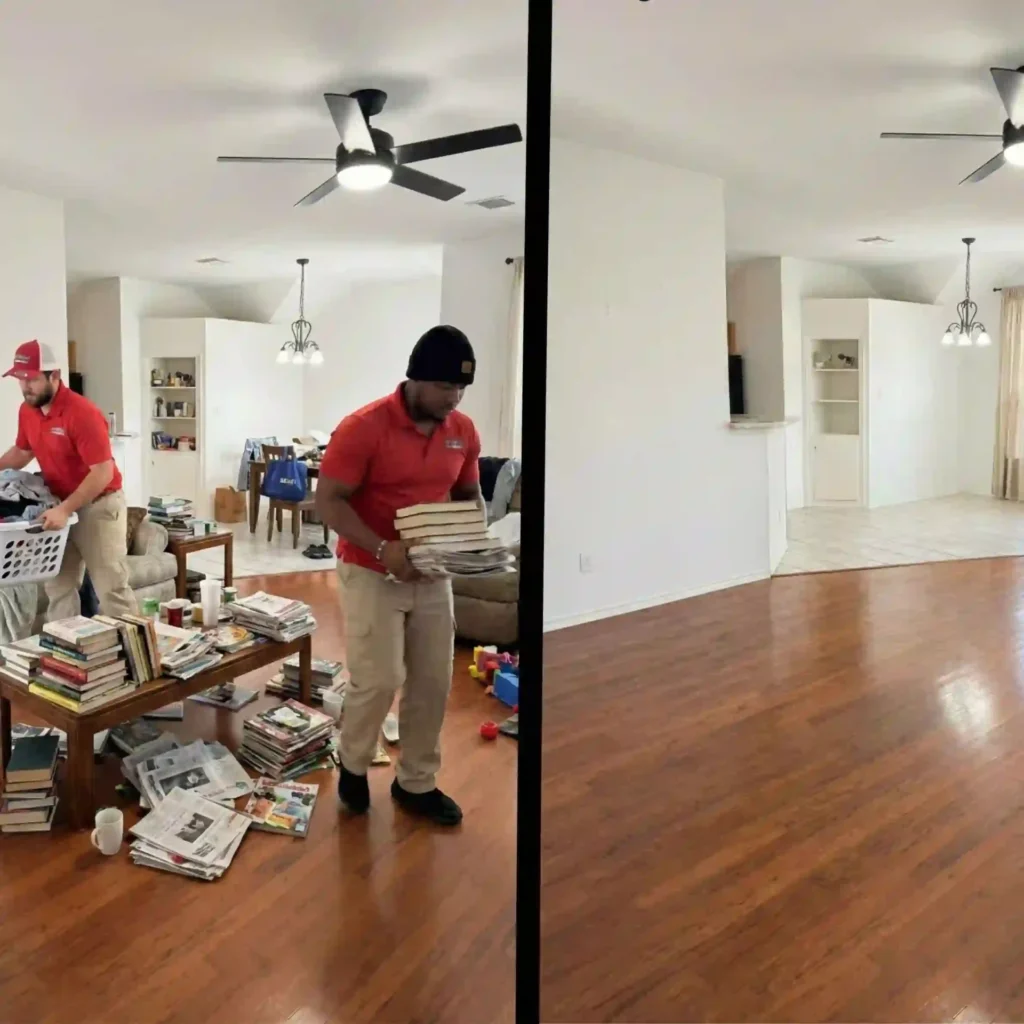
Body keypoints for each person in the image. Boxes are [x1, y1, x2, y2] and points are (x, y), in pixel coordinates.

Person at [316, 325, 483, 827]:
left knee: (433, 678)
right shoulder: (363, 427)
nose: (453, 398)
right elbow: (327, 501)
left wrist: (472, 540)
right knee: (380, 677)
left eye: (461, 390)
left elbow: (467, 495)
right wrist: (382, 547)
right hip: (371, 567)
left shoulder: (463, 430)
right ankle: (352, 763)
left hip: (434, 573)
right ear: (414, 380)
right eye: (444, 388)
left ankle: (417, 783)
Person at [0, 340, 137, 620]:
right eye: (20, 379)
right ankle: (68, 656)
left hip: (98, 505)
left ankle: (140, 658)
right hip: (57, 505)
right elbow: (22, 452)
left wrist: (66, 510)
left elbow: (103, 472)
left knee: (111, 588)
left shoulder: (82, 413)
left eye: (32, 379)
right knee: (59, 588)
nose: (25, 387)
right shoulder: (28, 410)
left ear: (55, 375)